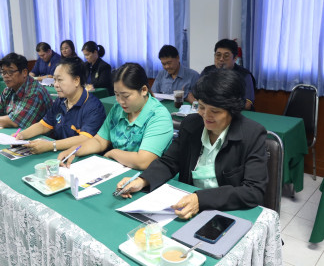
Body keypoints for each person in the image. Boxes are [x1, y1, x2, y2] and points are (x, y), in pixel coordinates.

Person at [116, 69, 268, 219]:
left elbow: (253, 191)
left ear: (232, 110)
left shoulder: (252, 134)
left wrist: (200, 199)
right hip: (187, 208)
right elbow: (169, 162)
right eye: (201, 107)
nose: (206, 116)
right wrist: (143, 180)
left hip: (227, 211)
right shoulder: (192, 125)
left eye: (214, 111)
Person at [57, 63, 173, 171]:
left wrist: (113, 153)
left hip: (145, 179)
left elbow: (143, 161)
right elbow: (99, 141)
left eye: (125, 96)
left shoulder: (158, 116)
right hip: (117, 170)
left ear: (143, 90)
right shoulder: (118, 109)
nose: (120, 101)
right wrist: (75, 150)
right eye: (116, 95)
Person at [15, 57, 106, 154]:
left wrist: (51, 145)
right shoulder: (61, 100)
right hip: (61, 153)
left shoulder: (93, 107)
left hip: (82, 157)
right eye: (54, 80)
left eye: (59, 80)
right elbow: (43, 125)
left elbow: (84, 139)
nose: (56, 85)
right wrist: (21, 136)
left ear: (76, 80)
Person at [200, 39, 256, 110]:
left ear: (235, 58)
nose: (221, 59)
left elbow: (247, 104)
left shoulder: (244, 75)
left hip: (236, 114)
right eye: (218, 55)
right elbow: (198, 94)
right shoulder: (207, 71)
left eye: (226, 56)